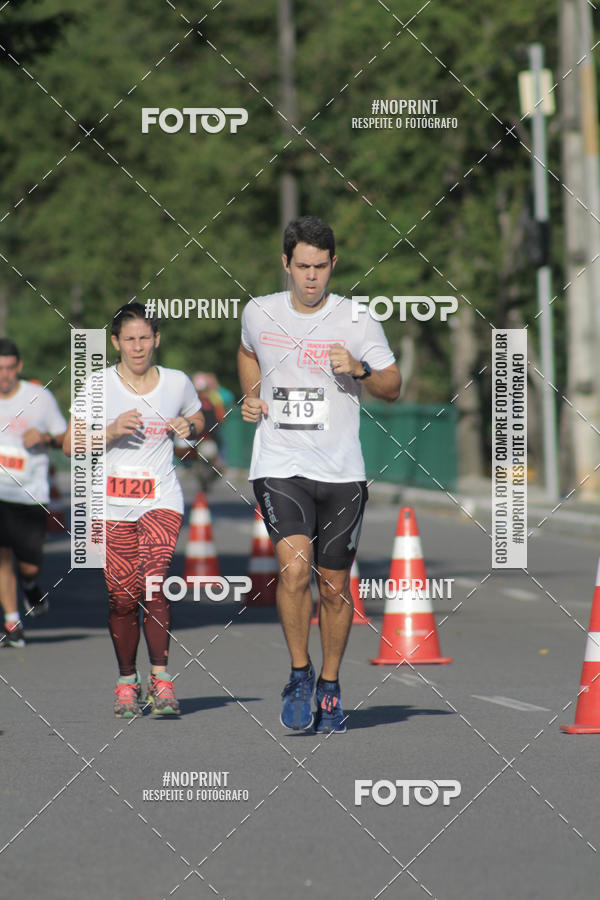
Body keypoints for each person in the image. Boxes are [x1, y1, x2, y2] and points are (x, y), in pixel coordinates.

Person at [238, 216, 401, 733]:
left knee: (333, 588)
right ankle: (299, 673)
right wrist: (251, 396)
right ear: (286, 263)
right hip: (279, 464)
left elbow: (393, 386)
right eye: (303, 266)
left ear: (334, 265)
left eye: (321, 267)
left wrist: (360, 369)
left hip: (341, 470)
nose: (312, 277)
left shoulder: (357, 320)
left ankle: (330, 683)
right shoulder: (258, 311)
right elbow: (247, 352)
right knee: (293, 571)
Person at [63, 304, 204, 717]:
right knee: (122, 597)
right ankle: (128, 680)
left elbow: (197, 418)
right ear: (115, 343)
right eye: (129, 339)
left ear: (157, 339)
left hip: (161, 498)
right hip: (110, 505)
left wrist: (190, 427)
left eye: (145, 338)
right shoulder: (98, 385)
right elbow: (70, 444)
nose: (138, 347)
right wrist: (108, 431)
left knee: (155, 583)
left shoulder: (176, 382)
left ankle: (162, 679)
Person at [0, 339, 67, 647]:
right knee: (2, 556)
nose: (4, 375)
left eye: (9, 368)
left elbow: (64, 438)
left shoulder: (39, 398)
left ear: (19, 367)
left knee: (30, 564)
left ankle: (30, 586)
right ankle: (12, 622)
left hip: (30, 494)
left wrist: (43, 437)